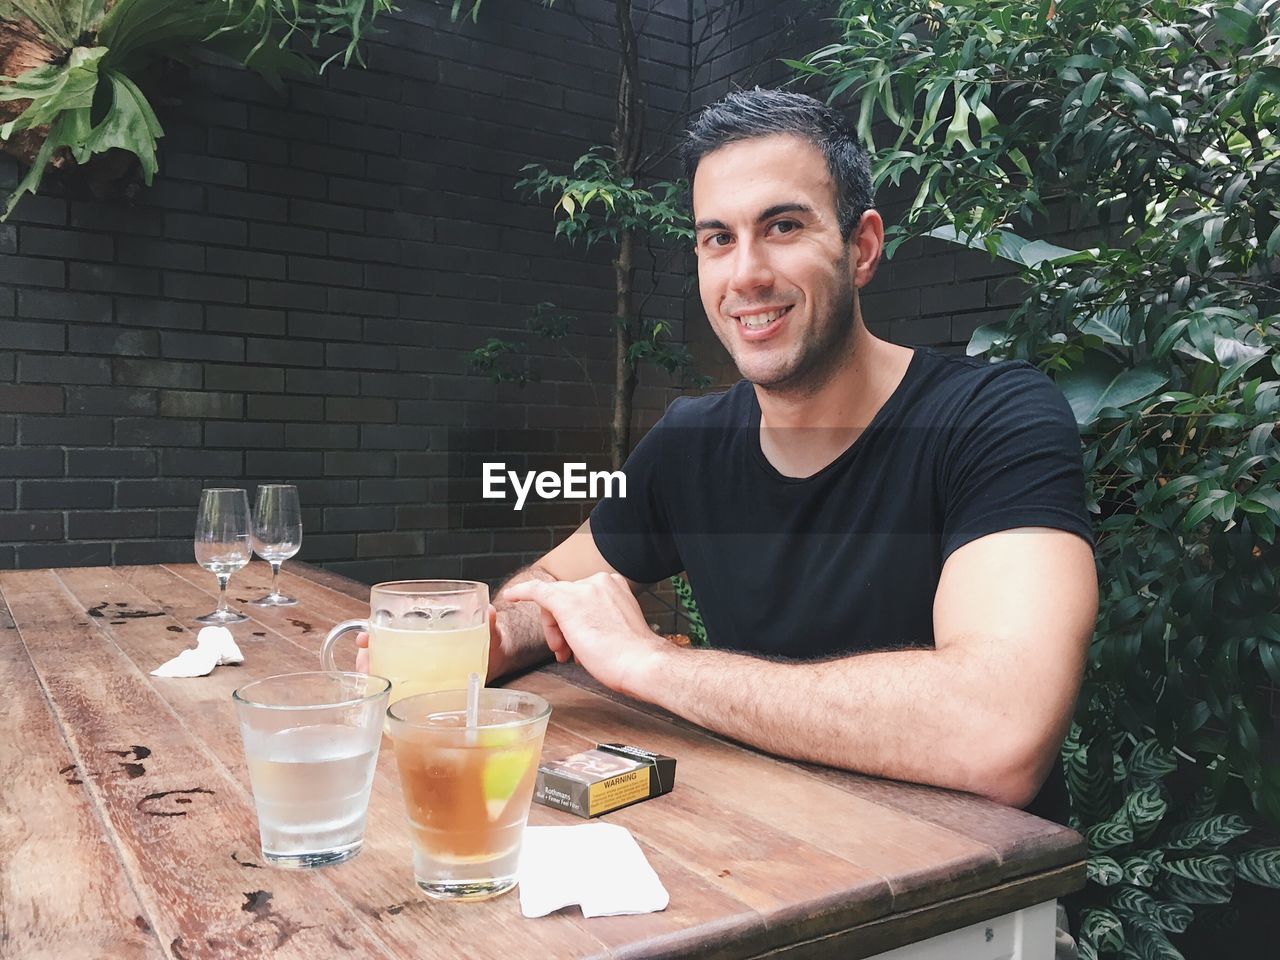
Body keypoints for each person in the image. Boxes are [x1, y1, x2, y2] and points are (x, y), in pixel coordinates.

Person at [365, 89, 1097, 821]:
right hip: (758, 857)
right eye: (717, 238)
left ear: (862, 247)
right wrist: (488, 640)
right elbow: (558, 582)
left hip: (974, 903)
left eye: (782, 226)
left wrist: (653, 663)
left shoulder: (993, 419)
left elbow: (999, 731)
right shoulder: (692, 441)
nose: (745, 273)